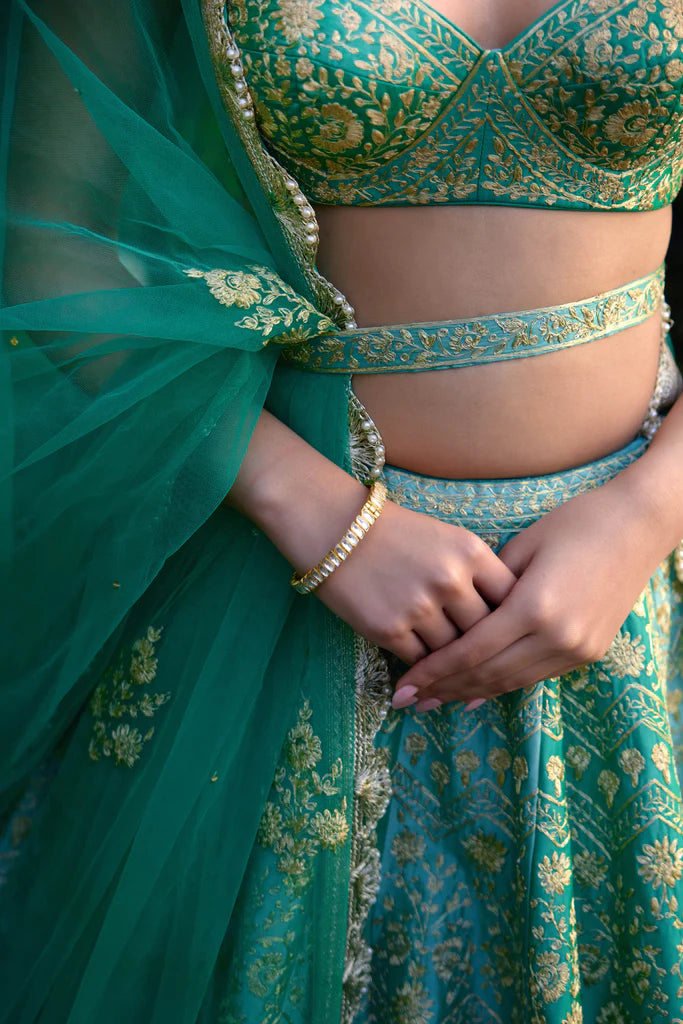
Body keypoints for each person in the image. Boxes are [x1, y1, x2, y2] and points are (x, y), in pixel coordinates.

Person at [2, 0, 683, 1021]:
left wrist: (642, 513)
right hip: (273, 575)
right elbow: (49, 238)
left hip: (636, 589)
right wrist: (316, 513)